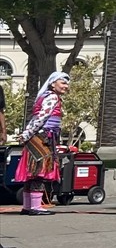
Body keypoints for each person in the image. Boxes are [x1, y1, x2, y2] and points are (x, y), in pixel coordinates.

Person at [14, 71, 69, 215]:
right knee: (39, 172)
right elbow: (41, 118)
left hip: (37, 136)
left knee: (33, 173)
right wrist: (27, 133)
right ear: (53, 83)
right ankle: (35, 207)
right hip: (42, 138)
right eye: (63, 82)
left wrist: (26, 133)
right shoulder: (52, 97)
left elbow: (35, 117)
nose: (66, 86)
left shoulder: (44, 96)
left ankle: (28, 206)